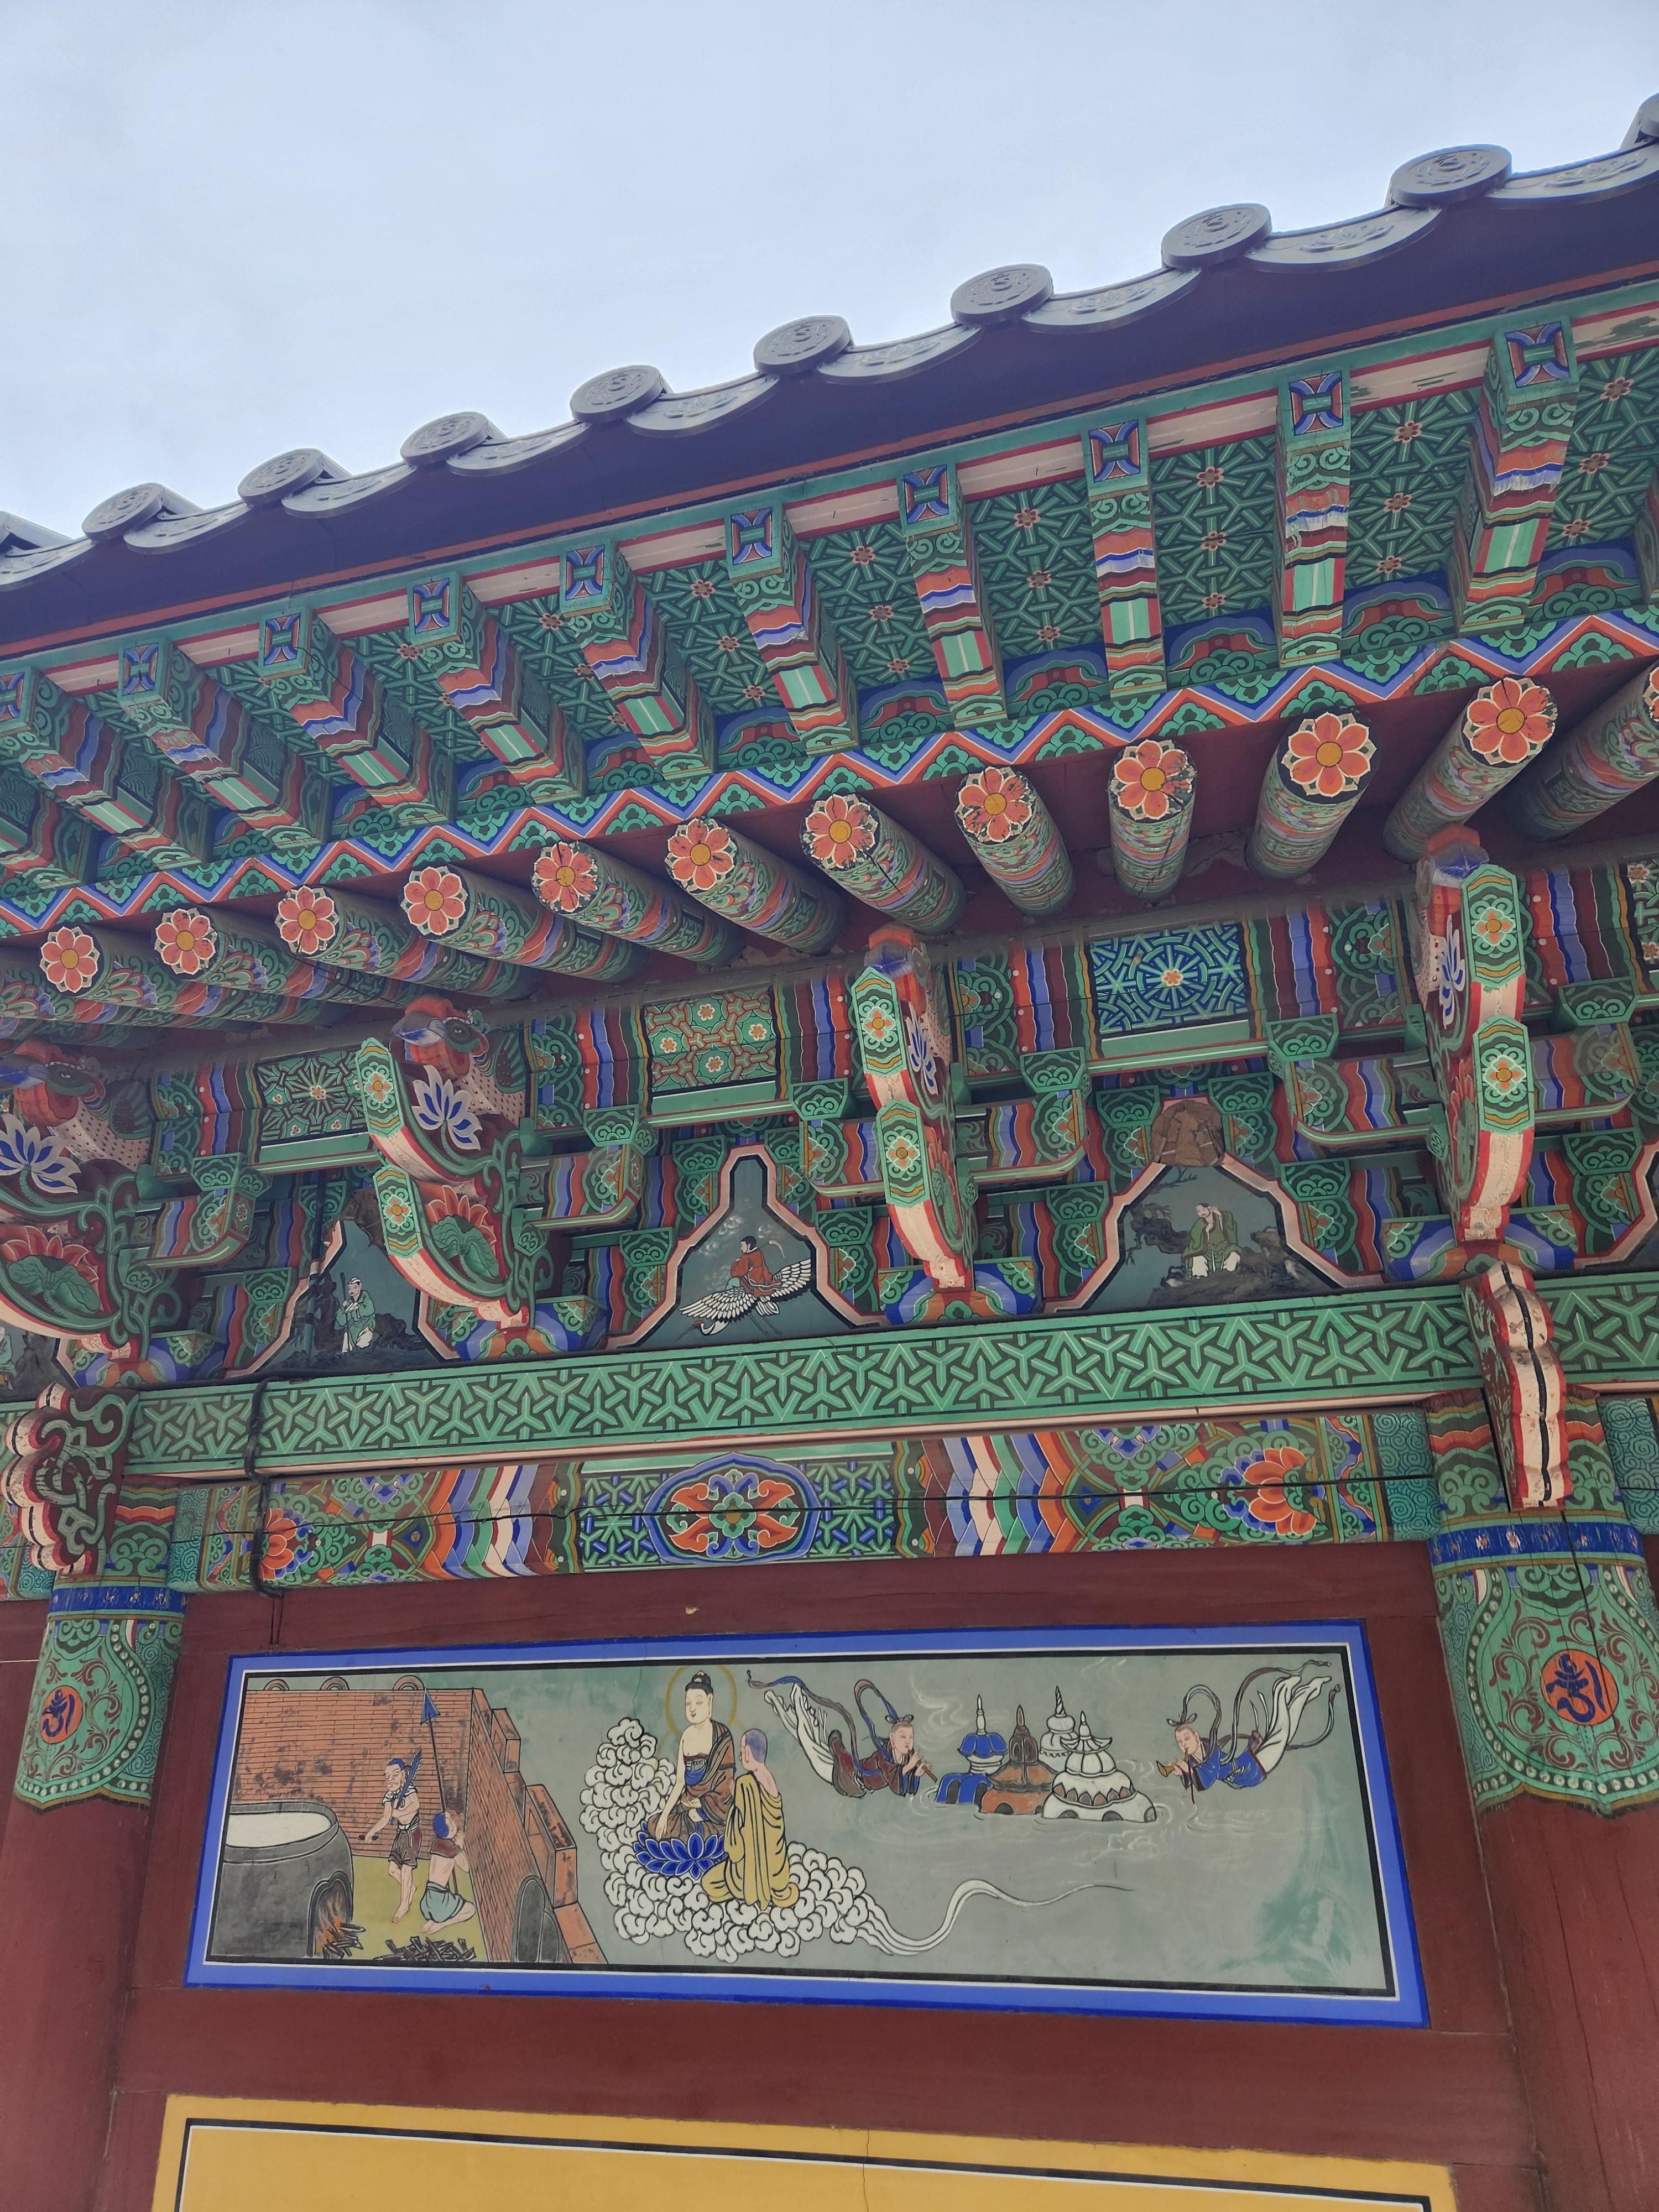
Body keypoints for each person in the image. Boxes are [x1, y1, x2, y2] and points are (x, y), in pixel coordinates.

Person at [1164, 1669, 1333, 1793]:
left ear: (1196, 1736)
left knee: (1282, 1733)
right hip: (1247, 1772)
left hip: (1255, 1767)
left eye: (1186, 1738)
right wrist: (1180, 1772)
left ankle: (1282, 1691)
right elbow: (1194, 1779)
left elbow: (1208, 1776)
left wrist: (1188, 1771)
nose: (1183, 1744)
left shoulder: (1212, 1750)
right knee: (1283, 1733)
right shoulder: (1193, 1760)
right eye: (1180, 1741)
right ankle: (1308, 1690)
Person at [702, 1729, 799, 1911]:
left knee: (709, 1883)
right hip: (777, 1871)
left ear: (748, 1752)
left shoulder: (746, 1784)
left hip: (750, 1869)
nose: (740, 1756)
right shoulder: (769, 1779)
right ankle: (770, 1888)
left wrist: (736, 1795)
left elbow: (744, 1828)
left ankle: (753, 1889)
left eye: (742, 1751)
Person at [651, 1671, 736, 1843]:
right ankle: (694, 1831)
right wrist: (665, 1815)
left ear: (710, 1702)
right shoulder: (686, 1736)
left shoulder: (722, 1736)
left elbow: (727, 1786)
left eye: (698, 1702)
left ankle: (699, 1831)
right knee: (654, 1823)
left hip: (715, 1809)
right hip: (688, 1804)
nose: (692, 1709)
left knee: (707, 1824)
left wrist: (702, 1804)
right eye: (688, 1703)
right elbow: (680, 1782)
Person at [364, 1755, 422, 1922]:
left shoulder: (409, 1789)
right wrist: (371, 1832)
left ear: (404, 1774)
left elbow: (416, 1805)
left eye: (395, 1774)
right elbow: (385, 1818)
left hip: (412, 1834)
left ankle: (404, 1905)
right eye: (387, 1776)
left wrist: (399, 1813)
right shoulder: (390, 1796)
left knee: (406, 1869)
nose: (391, 1779)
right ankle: (410, 1888)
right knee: (392, 1870)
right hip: (400, 1835)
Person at [419, 1810, 476, 1932]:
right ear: (450, 1827)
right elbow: (466, 1867)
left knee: (448, 1904)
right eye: (452, 1821)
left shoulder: (437, 1843)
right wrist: (459, 1846)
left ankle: (433, 1920)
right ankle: (442, 1924)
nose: (455, 1821)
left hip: (427, 1901)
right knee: (471, 1910)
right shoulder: (451, 1849)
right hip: (440, 1901)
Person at [1183, 1203, 1240, 1279]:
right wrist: (1206, 1230)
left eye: (1204, 1210)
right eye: (1199, 1211)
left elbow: (1230, 1222)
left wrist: (1220, 1214)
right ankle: (1201, 1280)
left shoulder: (1221, 1217)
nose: (1202, 1213)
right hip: (1207, 1252)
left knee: (1234, 1256)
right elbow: (1195, 1238)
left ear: (1209, 1208)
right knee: (1198, 1259)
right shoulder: (1199, 1223)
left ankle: (1227, 1276)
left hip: (1224, 1250)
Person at [338, 1275, 377, 1353]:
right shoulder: (350, 1303)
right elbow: (342, 1321)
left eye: (355, 1287)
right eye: (349, 1288)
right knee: (347, 1335)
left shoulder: (365, 1296)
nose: (352, 1290)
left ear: (360, 1287)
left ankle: (360, 1350)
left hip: (367, 1323)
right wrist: (343, 1308)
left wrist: (359, 1307)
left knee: (366, 1336)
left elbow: (370, 1309)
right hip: (356, 1326)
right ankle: (346, 1353)